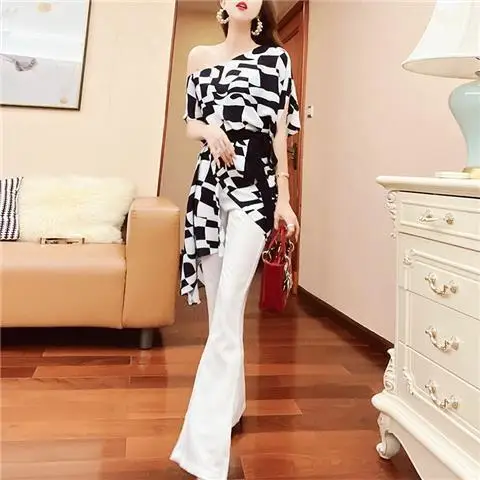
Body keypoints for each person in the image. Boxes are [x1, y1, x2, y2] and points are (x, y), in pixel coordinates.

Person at [170, 0, 301, 478]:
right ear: (222, 4)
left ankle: (203, 452)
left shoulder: (275, 58)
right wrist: (209, 129)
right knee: (218, 314)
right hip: (207, 187)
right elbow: (190, 122)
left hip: (255, 187)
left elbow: (281, 132)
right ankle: (233, 405)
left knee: (228, 305)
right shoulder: (199, 56)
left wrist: (285, 198)